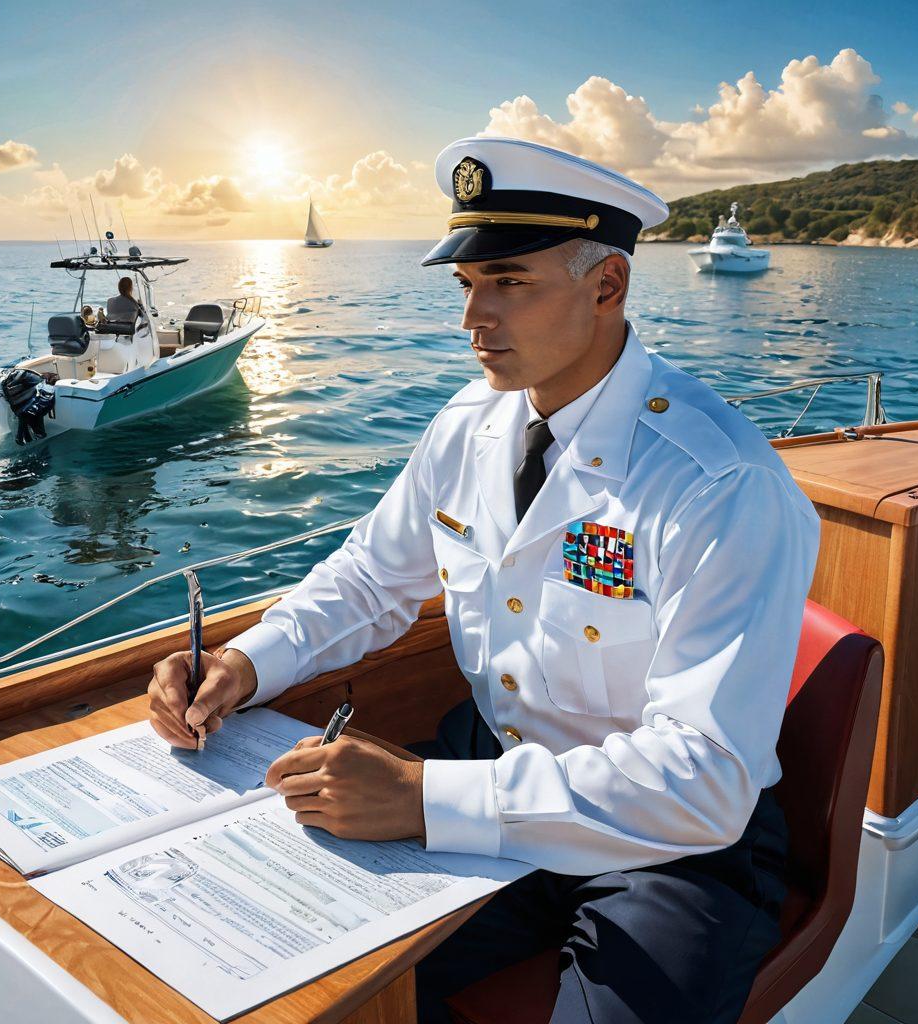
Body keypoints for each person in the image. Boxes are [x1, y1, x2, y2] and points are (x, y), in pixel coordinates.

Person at [146, 136, 821, 1023]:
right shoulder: (469, 427)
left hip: (671, 848)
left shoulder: (719, 484)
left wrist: (423, 800)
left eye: (508, 281)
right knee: (273, 957)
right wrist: (247, 661)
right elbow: (369, 579)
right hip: (489, 766)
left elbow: (704, 778)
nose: (473, 319)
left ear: (607, 285)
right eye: (467, 285)